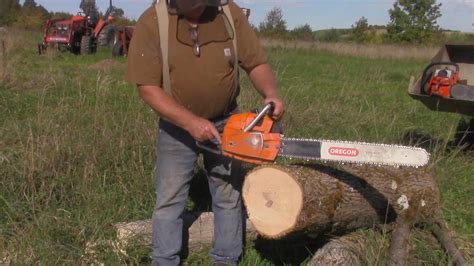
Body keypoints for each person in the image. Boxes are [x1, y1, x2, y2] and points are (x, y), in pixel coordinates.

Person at [125, 0, 284, 265]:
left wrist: (270, 93)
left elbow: (256, 63)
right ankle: (164, 260)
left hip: (229, 123)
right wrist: (190, 122)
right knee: (170, 199)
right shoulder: (152, 21)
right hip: (176, 128)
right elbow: (148, 87)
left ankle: (226, 258)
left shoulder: (229, 14)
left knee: (228, 195)